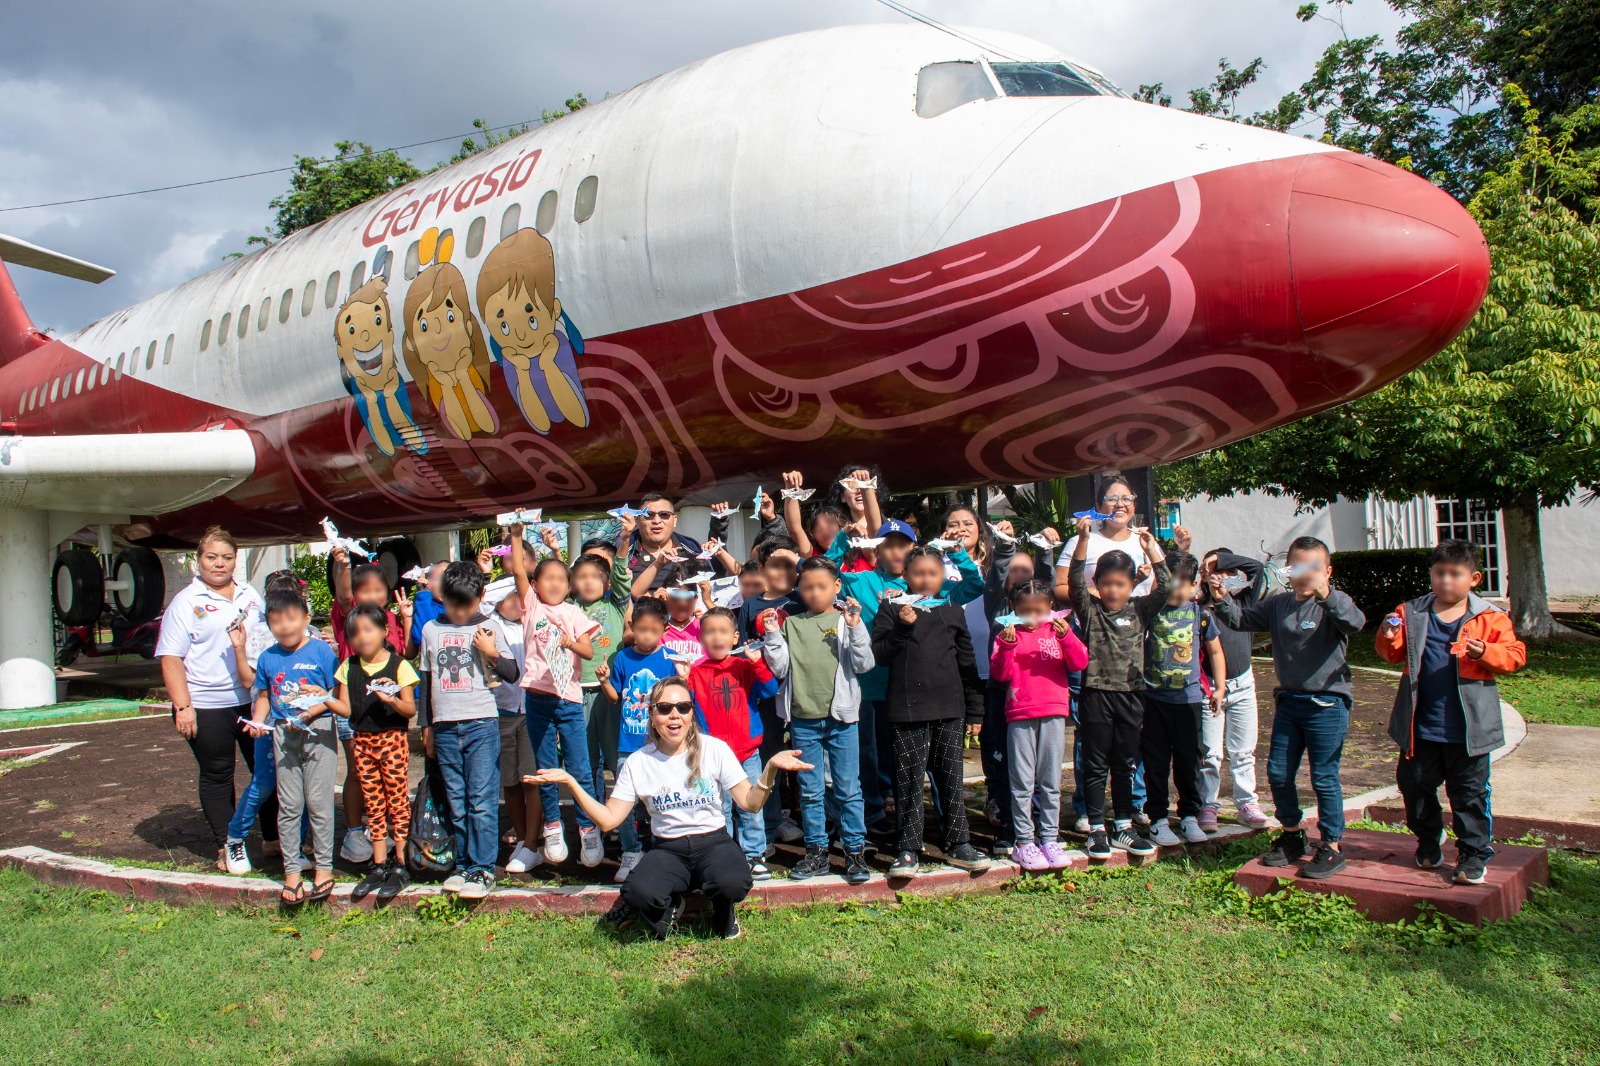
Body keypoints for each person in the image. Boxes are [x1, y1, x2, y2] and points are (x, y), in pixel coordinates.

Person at [531, 677, 812, 939]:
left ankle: (724, 913)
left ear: (691, 714)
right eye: (665, 708)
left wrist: (770, 768)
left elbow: (750, 803)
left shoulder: (714, 749)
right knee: (639, 892)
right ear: (652, 716)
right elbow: (608, 820)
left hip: (713, 843)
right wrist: (571, 782)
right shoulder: (638, 762)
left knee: (732, 881)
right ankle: (672, 905)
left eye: (683, 707)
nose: (674, 715)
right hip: (669, 848)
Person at [1214, 536, 1366, 880]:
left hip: (1327, 703)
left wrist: (1326, 595)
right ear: (1288, 569)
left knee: (1324, 777)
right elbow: (1239, 620)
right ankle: (1293, 833)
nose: (1305, 573)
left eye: (1313, 567)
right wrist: (1221, 597)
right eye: (1298, 566)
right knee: (1279, 773)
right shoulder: (1279, 604)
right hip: (1289, 702)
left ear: (1327, 571)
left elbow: (1355, 623)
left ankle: (1331, 845)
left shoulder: (1334, 601)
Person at [1376, 539, 1526, 886]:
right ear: (1431, 573)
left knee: (1469, 794)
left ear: (1473, 578)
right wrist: (1388, 634)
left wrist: (1484, 651)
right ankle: (1429, 838)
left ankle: (1473, 853)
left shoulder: (1490, 617)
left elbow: (1515, 656)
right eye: (1439, 572)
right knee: (1414, 786)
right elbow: (1391, 654)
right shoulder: (1410, 612)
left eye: (1455, 574)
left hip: (1469, 728)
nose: (1445, 580)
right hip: (1420, 725)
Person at [829, 514, 985, 837]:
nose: (896, 552)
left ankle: (947, 820)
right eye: (888, 546)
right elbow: (826, 575)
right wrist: (843, 539)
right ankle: (875, 814)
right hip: (873, 684)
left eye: (903, 545)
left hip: (919, 688)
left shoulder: (928, 583)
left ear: (913, 549)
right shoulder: (864, 581)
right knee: (871, 755)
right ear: (877, 550)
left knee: (936, 759)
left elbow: (974, 586)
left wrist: (957, 554)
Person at [871, 546, 991, 877]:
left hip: (950, 708)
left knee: (951, 777)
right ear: (906, 575)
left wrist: (975, 712)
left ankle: (959, 842)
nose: (925, 579)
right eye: (918, 573)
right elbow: (879, 653)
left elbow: (967, 662)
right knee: (908, 781)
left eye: (933, 573)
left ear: (943, 577)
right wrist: (902, 627)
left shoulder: (951, 609)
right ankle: (908, 848)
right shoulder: (892, 607)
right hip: (906, 710)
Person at [155, 526, 268, 872]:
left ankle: (275, 839)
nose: (219, 564)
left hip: (253, 701)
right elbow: (171, 658)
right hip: (206, 704)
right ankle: (227, 845)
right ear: (198, 561)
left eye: (227, 557)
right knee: (218, 773)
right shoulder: (186, 602)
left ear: (235, 561)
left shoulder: (250, 595)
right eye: (211, 557)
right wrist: (183, 707)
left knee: (266, 770)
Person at [760, 557, 876, 884]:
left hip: (842, 719)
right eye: (807, 587)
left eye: (822, 586)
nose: (814, 593)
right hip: (803, 720)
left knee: (848, 788)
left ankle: (854, 850)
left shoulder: (846, 620)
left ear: (836, 586)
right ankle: (816, 852)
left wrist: (855, 627)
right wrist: (772, 634)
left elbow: (864, 664)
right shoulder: (792, 624)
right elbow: (780, 668)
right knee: (810, 791)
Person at [1066, 515, 1171, 861]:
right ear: (1097, 584)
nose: (1113, 590)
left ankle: (1123, 825)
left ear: (1132, 584)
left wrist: (1151, 550)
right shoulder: (1090, 610)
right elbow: (1074, 582)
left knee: (1124, 763)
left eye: (1120, 584)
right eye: (1107, 583)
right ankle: (1097, 828)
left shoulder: (1141, 608)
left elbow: (1166, 588)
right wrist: (1083, 540)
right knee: (1096, 764)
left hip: (1131, 696)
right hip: (1096, 694)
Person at [417, 561, 519, 898]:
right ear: (441, 597)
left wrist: (491, 653)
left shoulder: (489, 626)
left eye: (468, 605)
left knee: (481, 800)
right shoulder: (431, 629)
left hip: (481, 724)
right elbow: (427, 680)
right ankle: (462, 864)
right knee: (456, 800)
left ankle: (483, 867)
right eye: (453, 605)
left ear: (481, 596)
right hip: (445, 727)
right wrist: (427, 727)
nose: (460, 613)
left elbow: (512, 673)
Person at [241, 587, 342, 904]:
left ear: (307, 618)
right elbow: (263, 697)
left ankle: (323, 869)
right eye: (276, 621)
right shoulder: (268, 658)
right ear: (269, 625)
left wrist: (316, 708)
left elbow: (336, 696)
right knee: (289, 805)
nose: (284, 626)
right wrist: (258, 722)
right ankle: (292, 873)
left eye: (291, 618)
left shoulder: (322, 652)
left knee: (319, 803)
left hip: (319, 730)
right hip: (283, 733)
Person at [507, 535, 600, 867]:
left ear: (569, 585)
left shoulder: (574, 613)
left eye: (562, 579)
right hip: (537, 699)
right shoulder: (531, 608)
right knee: (546, 768)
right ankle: (553, 825)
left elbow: (587, 650)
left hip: (569, 702)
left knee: (579, 768)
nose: (555, 584)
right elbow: (519, 571)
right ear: (535, 585)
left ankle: (588, 828)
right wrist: (516, 536)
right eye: (548, 578)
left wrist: (568, 642)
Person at [989, 581, 1088, 871]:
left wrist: (1067, 636)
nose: (1032, 617)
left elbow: (1080, 662)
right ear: (1013, 609)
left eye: (1038, 611)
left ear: (1050, 608)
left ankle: (1049, 839)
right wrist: (1008, 646)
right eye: (1025, 611)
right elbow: (1000, 674)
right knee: (1022, 782)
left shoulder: (1058, 631)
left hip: (1053, 712)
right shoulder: (1007, 634)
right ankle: (1024, 842)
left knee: (1050, 781)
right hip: (1019, 713)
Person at [325, 603, 419, 901]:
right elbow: (345, 709)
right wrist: (322, 698)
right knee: (373, 802)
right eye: (354, 633)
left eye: (368, 629)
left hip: (392, 740)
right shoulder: (348, 667)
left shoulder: (399, 665)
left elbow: (410, 709)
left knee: (397, 801)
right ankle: (379, 865)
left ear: (384, 631)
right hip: (362, 742)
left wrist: (391, 700)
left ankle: (401, 864)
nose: (362, 637)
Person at [219, 569, 305, 873]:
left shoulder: (310, 635)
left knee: (301, 787)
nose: (285, 623)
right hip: (269, 726)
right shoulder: (258, 634)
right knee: (264, 783)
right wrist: (239, 647)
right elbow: (252, 684)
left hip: (303, 726)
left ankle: (298, 845)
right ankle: (235, 838)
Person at [686, 608, 780, 878]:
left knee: (751, 805)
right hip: (711, 754)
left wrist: (758, 664)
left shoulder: (744, 666)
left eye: (723, 631)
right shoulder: (695, 672)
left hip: (746, 752)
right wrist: (682, 678)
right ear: (700, 639)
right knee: (719, 807)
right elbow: (684, 702)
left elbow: (770, 690)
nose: (717, 637)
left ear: (735, 637)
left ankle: (754, 854)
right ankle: (723, 855)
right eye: (710, 632)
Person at [1141, 552, 1227, 847]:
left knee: (1188, 762)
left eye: (1182, 583)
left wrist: (1219, 688)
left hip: (1188, 701)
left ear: (1194, 586)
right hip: (1153, 700)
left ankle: (1190, 814)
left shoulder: (1201, 615)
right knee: (1155, 763)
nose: (1176, 588)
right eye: (1170, 581)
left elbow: (1215, 651)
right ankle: (1158, 819)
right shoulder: (1151, 611)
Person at [328, 550, 408, 865]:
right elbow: (343, 594)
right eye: (366, 591)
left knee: (391, 780)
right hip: (354, 708)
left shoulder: (390, 620)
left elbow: (404, 655)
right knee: (358, 774)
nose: (373, 596)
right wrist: (343, 566)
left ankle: (390, 838)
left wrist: (407, 620)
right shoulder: (350, 615)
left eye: (379, 590)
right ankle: (352, 833)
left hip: (389, 714)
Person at [1193, 541, 1271, 830]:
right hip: (1209, 688)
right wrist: (1205, 570)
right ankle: (1207, 804)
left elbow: (1258, 569)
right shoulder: (1198, 609)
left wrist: (1221, 558)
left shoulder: (1243, 603)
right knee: (1209, 753)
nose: (1221, 577)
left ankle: (1247, 803)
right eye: (1215, 572)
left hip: (1243, 685)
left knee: (1243, 750)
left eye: (1227, 572)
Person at [734, 536, 806, 845]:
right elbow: (742, 648)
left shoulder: (804, 597)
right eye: (777, 565)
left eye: (791, 565)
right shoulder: (751, 604)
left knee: (805, 755)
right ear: (762, 569)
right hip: (766, 694)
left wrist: (799, 560)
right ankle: (772, 821)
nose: (785, 572)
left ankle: (811, 820)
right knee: (771, 756)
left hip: (802, 690)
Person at [603, 596, 677, 880]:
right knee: (624, 800)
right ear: (632, 627)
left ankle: (662, 849)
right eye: (641, 629)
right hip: (629, 745)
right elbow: (614, 698)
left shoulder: (670, 659)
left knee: (663, 797)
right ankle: (631, 850)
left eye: (653, 631)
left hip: (661, 745)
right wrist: (604, 681)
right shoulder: (623, 658)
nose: (646, 636)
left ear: (664, 629)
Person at [569, 551, 629, 864]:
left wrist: (623, 544)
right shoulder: (570, 608)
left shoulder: (614, 604)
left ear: (606, 582)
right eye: (581, 577)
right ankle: (591, 825)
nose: (588, 582)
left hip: (611, 693)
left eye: (595, 576)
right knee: (586, 763)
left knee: (618, 762)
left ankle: (621, 822)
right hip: (578, 692)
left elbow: (622, 579)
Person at [481, 579, 542, 874]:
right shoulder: (491, 625)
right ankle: (520, 837)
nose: (519, 603)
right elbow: (481, 601)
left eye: (521, 597)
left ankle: (532, 842)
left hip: (532, 710)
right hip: (502, 711)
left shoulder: (532, 621)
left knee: (531, 778)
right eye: (511, 597)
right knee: (510, 781)